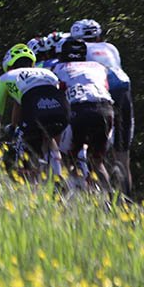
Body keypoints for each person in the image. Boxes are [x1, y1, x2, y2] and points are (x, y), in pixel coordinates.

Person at [72, 19, 134, 193]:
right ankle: (126, 201)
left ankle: (100, 197)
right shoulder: (111, 47)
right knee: (122, 156)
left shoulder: (81, 49)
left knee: (94, 155)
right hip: (124, 92)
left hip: (102, 95)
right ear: (99, 36)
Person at [0, 43, 67, 179]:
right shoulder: (47, 72)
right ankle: (58, 175)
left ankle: (30, 181)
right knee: (50, 138)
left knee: (23, 158)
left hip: (35, 112)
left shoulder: (6, 77)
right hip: (61, 111)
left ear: (9, 67)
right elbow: (19, 104)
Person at [52, 36, 115, 186]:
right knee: (97, 161)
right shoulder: (99, 66)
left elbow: (58, 95)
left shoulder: (58, 68)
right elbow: (106, 87)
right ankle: (109, 197)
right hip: (105, 109)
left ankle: (73, 193)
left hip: (78, 110)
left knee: (67, 157)